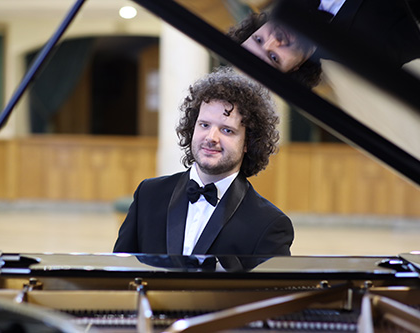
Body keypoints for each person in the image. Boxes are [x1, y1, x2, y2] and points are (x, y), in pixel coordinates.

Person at [113, 67, 294, 256]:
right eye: (204, 125)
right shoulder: (148, 195)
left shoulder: (269, 224)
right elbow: (118, 276)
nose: (211, 137)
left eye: (226, 130)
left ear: (248, 142)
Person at [229, 0, 420, 88]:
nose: (274, 40)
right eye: (274, 58)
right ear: (295, 69)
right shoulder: (366, 55)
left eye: (259, 39)